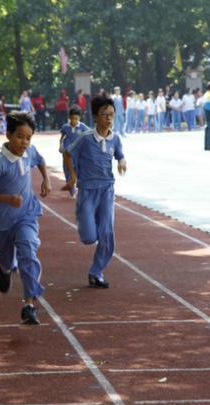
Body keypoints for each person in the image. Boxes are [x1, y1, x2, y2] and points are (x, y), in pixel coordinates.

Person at [0, 112, 51, 325]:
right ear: (8, 135)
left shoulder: (30, 151)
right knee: (7, 257)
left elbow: (40, 160)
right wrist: (7, 199)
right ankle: (5, 268)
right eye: (20, 137)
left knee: (28, 250)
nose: (24, 142)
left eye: (28, 137)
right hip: (2, 222)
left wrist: (46, 179)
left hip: (26, 215)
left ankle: (28, 305)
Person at [62, 95, 127, 289]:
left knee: (107, 233)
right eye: (104, 115)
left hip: (107, 189)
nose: (108, 119)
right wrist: (72, 176)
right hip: (87, 191)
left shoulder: (115, 138)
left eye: (111, 115)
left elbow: (120, 155)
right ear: (95, 117)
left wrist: (122, 162)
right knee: (89, 237)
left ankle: (96, 272)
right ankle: (84, 217)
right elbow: (67, 153)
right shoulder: (85, 138)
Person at [59, 105, 89, 197]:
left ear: (79, 118)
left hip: (78, 153)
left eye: (76, 119)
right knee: (67, 170)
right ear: (69, 118)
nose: (74, 121)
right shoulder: (65, 127)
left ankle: (79, 186)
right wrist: (60, 145)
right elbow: (62, 137)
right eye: (72, 118)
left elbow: (90, 135)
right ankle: (71, 189)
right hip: (67, 153)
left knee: (79, 170)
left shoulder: (83, 127)